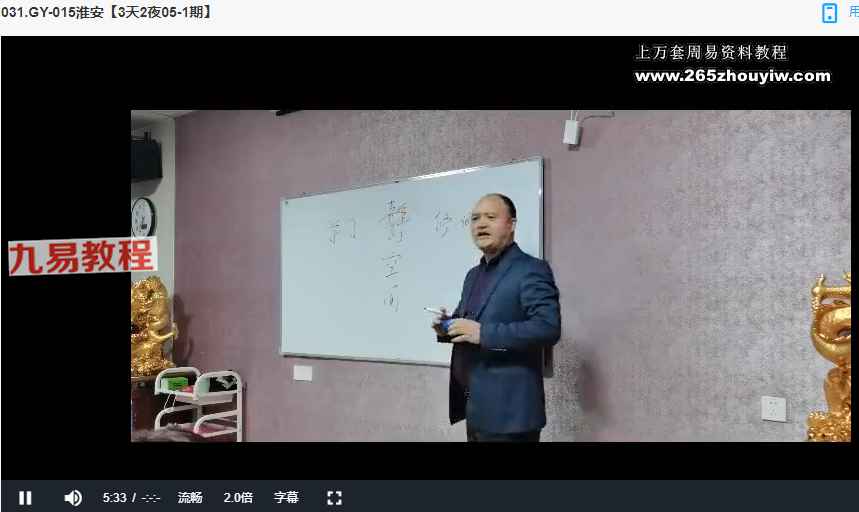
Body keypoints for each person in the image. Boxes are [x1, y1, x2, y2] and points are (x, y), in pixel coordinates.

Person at [431, 193, 561, 442]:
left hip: (512, 416)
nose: (480, 224)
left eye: (490, 217)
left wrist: (483, 333)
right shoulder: (473, 275)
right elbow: (468, 324)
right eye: (475, 218)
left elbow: (548, 328)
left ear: (511, 224)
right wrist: (446, 327)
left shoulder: (531, 269)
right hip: (475, 408)